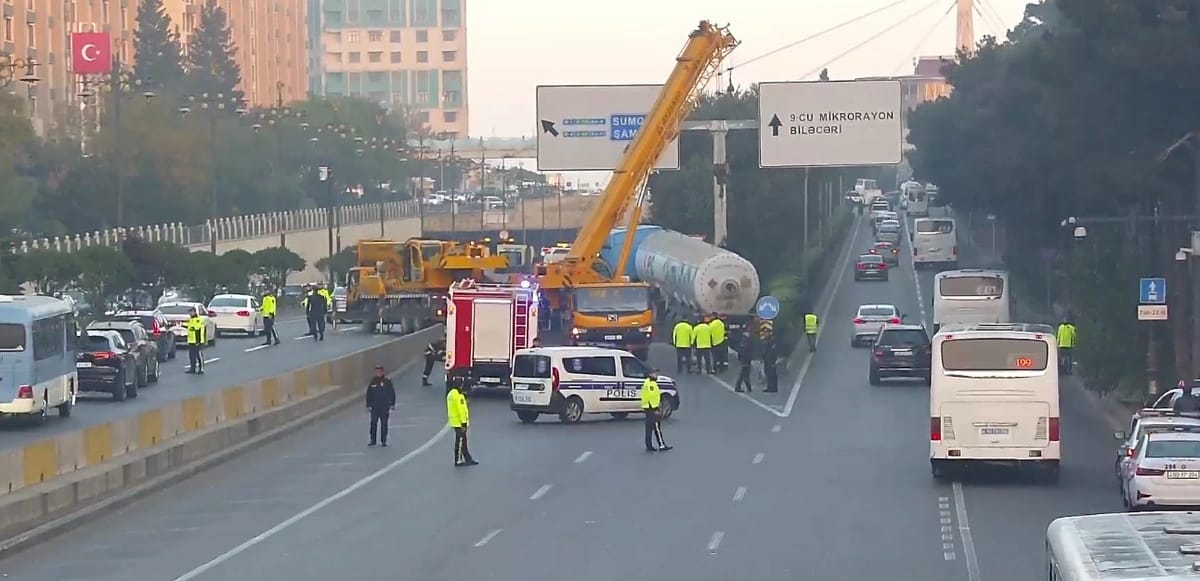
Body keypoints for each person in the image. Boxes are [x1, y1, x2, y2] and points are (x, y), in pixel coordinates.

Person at [446, 379, 477, 467]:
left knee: (463, 441)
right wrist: (463, 423)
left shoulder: (451, 394)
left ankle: (468, 458)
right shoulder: (458, 396)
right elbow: (461, 410)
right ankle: (458, 460)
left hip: (454, 421)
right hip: (459, 422)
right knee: (460, 442)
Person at [640, 368, 671, 452]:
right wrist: (655, 409)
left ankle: (649, 445)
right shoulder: (651, 384)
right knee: (656, 427)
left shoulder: (648, 382)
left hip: (648, 408)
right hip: (651, 408)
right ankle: (661, 445)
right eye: (655, 373)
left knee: (649, 427)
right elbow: (651, 397)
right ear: (650, 374)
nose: (656, 375)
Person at [365, 366, 396, 447]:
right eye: (376, 371)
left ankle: (383, 440)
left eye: (379, 371)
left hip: (384, 406)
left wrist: (392, 404)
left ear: (382, 372)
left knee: (384, 424)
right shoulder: (373, 381)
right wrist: (368, 405)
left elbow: (392, 393)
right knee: (373, 423)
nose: (378, 373)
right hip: (375, 407)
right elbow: (369, 393)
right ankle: (373, 440)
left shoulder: (387, 381)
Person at [185, 308, 207, 375]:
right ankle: (192, 368)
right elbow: (188, 328)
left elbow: (198, 330)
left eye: (191, 312)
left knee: (199, 355)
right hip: (191, 340)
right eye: (189, 312)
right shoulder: (190, 320)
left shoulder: (199, 320)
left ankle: (201, 369)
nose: (190, 314)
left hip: (198, 340)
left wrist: (199, 341)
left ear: (194, 312)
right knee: (191, 355)